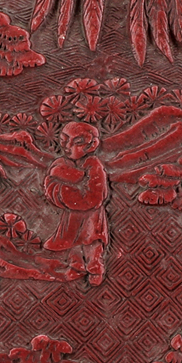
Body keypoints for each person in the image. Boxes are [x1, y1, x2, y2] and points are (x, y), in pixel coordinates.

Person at [42, 121, 110, 285]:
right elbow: (50, 183)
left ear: (91, 146)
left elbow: (96, 196)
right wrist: (69, 189)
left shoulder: (94, 165)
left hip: (91, 216)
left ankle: (95, 269)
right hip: (72, 215)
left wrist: (70, 190)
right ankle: (76, 267)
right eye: (64, 140)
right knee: (72, 241)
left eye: (77, 142)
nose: (68, 146)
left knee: (91, 242)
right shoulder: (61, 164)